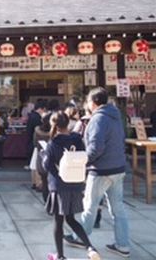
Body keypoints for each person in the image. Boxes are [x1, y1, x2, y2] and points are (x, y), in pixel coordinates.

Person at [64, 87, 130, 258]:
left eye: (87, 101)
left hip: (101, 169)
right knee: (118, 209)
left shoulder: (98, 119)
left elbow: (96, 147)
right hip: (118, 168)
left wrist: (85, 161)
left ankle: (80, 237)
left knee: (90, 206)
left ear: (93, 102)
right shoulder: (115, 116)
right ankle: (123, 245)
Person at [43, 111, 100, 260]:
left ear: (53, 124)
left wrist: (44, 155)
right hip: (76, 184)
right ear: (68, 123)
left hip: (59, 186)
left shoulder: (53, 143)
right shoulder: (77, 140)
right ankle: (90, 247)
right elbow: (85, 157)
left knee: (58, 221)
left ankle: (60, 256)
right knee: (71, 219)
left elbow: (47, 165)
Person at [33, 112, 51, 200]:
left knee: (44, 181)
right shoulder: (54, 132)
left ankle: (46, 201)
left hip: (41, 157)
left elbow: (34, 143)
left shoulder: (37, 131)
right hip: (52, 159)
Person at [25, 99, 47, 169]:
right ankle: (31, 164)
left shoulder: (31, 116)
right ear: (41, 109)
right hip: (35, 138)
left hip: (30, 136)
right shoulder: (37, 117)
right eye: (44, 109)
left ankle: (29, 164)